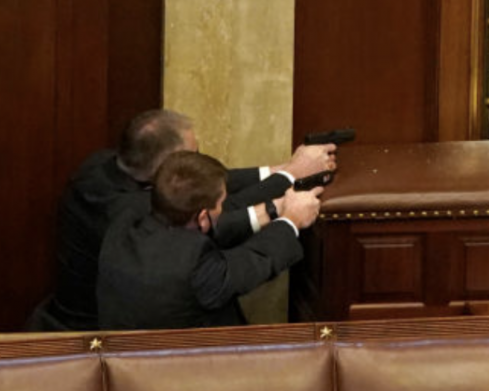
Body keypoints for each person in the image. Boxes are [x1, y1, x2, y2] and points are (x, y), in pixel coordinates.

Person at [30, 108, 337, 331]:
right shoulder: (127, 216)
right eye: (192, 154)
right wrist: (289, 217)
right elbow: (250, 257)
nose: (197, 160)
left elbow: (202, 193)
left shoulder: (103, 169)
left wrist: (283, 172)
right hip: (97, 336)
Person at [96, 150, 323, 329]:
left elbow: (207, 230)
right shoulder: (194, 264)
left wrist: (273, 209)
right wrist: (292, 219)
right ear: (203, 217)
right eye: (221, 205)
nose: (224, 210)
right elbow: (254, 261)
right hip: (190, 373)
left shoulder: (123, 223)